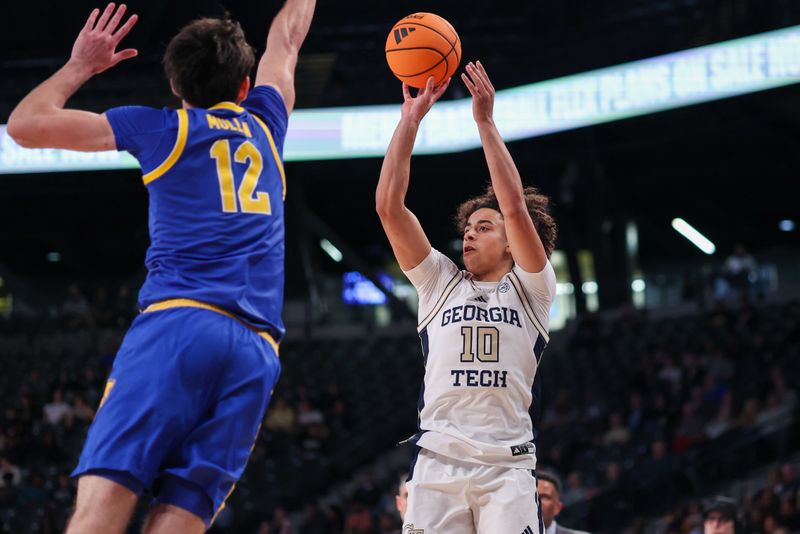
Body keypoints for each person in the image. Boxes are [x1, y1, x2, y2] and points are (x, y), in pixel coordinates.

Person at [8, 1, 315, 532]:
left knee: (101, 508)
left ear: (175, 86)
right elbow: (286, 39)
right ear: (245, 87)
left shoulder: (160, 130)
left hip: (180, 325)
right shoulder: (268, 125)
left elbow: (24, 126)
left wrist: (81, 65)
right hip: (257, 351)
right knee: (181, 517)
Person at [376, 61, 557, 533]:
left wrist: (485, 122)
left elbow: (514, 206)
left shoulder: (533, 288)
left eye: (484, 227)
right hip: (437, 461)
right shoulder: (440, 282)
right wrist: (408, 123)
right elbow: (389, 207)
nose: (469, 237)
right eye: (467, 229)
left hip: (508, 467)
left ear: (514, 242)